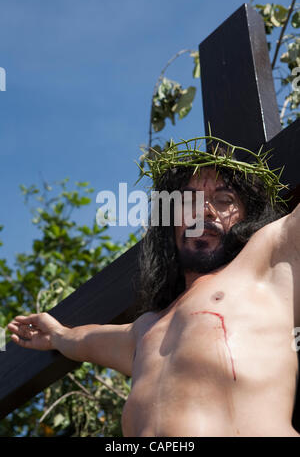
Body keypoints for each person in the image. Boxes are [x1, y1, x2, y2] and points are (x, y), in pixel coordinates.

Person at [7, 145, 300, 437]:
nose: (205, 210)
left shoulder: (268, 262)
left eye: (223, 200)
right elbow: (85, 340)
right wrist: (57, 335)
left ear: (247, 217)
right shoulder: (145, 330)